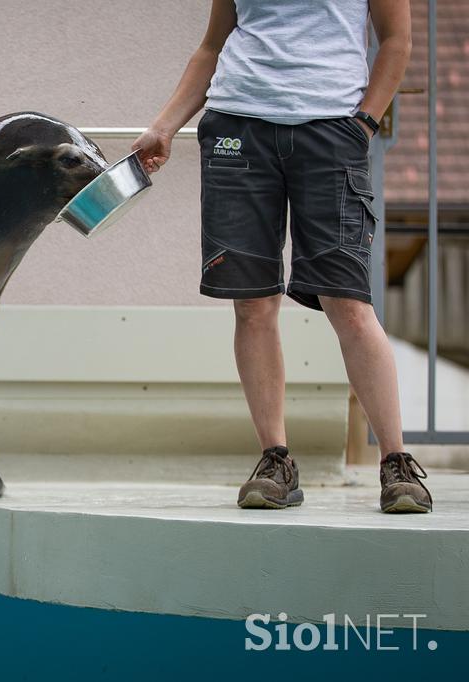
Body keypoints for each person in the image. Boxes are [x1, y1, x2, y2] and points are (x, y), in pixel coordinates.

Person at [132, 0, 431, 512]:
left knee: (349, 303)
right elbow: (212, 46)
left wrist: (362, 124)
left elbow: (396, 42)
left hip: (331, 132)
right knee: (252, 303)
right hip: (237, 127)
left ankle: (397, 463)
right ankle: (276, 460)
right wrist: (165, 123)